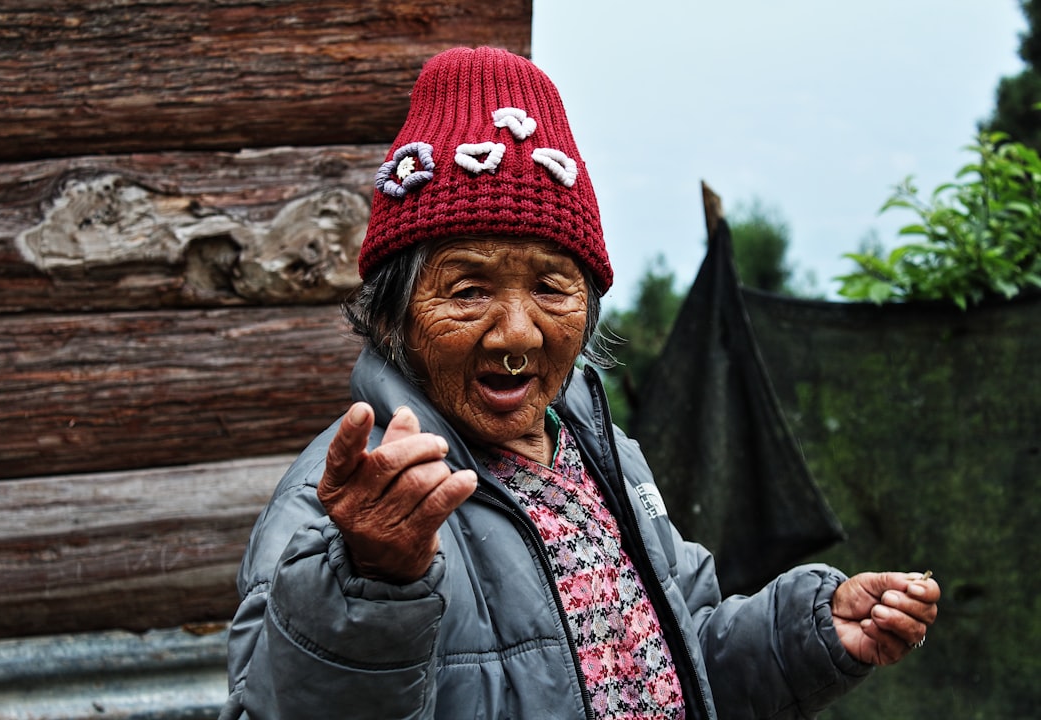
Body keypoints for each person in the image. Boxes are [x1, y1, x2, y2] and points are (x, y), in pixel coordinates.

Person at [220, 46, 939, 720]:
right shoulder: (346, 503)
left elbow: (682, 649)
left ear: (589, 308)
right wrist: (370, 582)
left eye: (551, 287)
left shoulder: (603, 454)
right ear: (393, 317)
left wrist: (806, 635)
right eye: (468, 289)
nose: (517, 333)